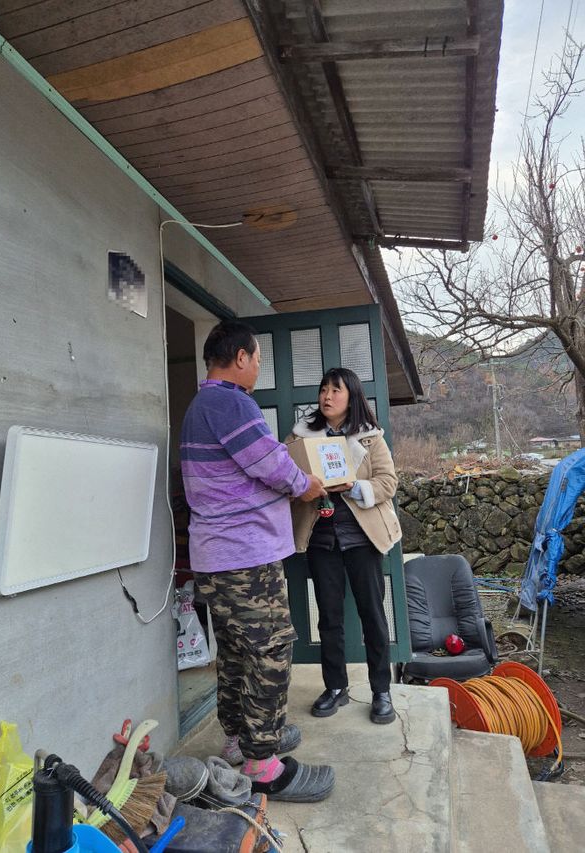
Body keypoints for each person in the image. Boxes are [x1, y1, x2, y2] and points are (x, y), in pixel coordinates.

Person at [180, 320, 335, 802]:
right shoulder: (230, 401)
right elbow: (271, 464)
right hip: (242, 556)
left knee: (236, 651)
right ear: (241, 357)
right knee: (271, 648)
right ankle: (262, 761)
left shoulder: (200, 405)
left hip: (218, 555)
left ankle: (238, 738)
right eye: (258, 359)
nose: (259, 368)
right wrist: (307, 484)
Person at [287, 367, 402, 723]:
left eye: (336, 390)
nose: (327, 396)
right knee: (329, 617)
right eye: (323, 389)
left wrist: (352, 486)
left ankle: (381, 690)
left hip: (362, 540)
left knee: (373, 615)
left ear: (351, 397)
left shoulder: (370, 438)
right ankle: (335, 687)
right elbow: (286, 481)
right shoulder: (300, 438)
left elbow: (388, 482)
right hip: (321, 539)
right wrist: (305, 486)